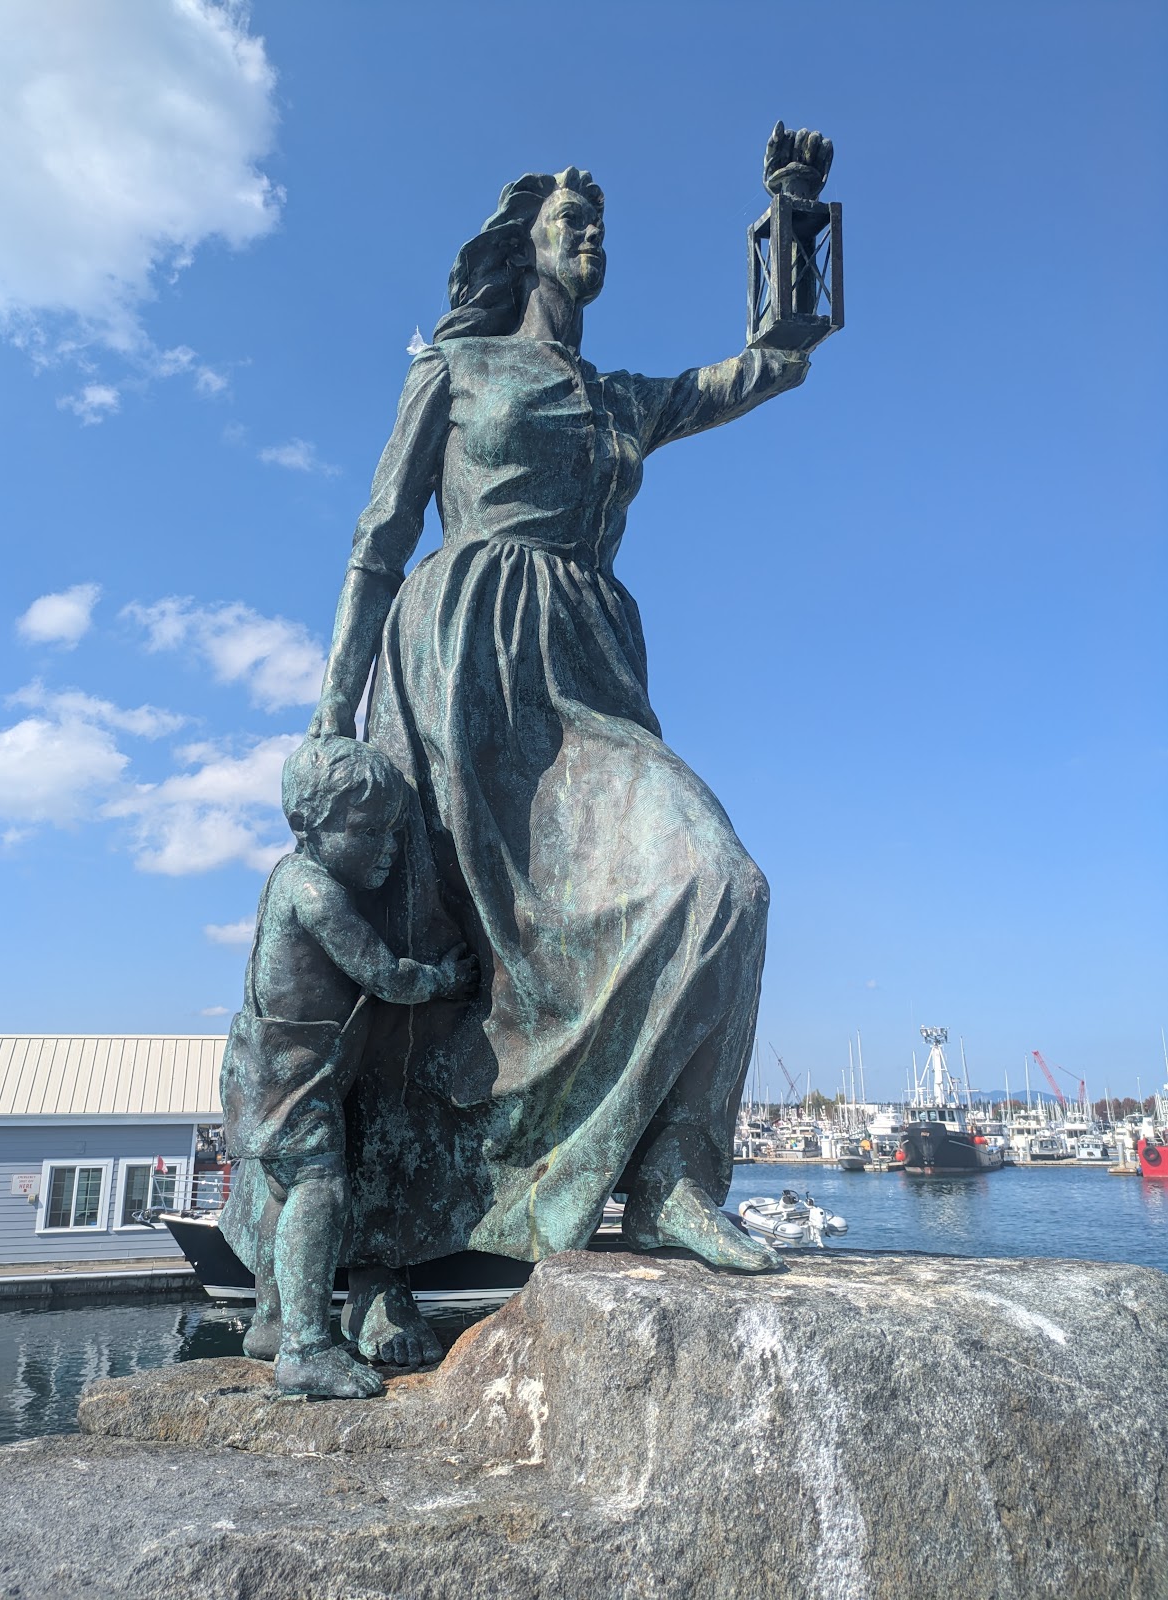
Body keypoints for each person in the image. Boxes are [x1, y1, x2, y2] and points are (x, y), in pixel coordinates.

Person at [311, 155, 831, 1359]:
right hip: (455, 659)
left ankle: (672, 1180)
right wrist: (331, 721)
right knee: (426, 935)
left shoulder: (619, 398)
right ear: (525, 245)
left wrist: (793, 232)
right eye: (571, 221)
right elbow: (378, 540)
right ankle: (371, 1254)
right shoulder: (451, 366)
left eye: (600, 223)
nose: (590, 238)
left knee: (720, 882)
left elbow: (767, 365)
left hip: (588, 675)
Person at [219, 736, 476, 1398]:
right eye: (367, 831)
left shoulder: (285, 875)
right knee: (319, 1192)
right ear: (309, 826)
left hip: (261, 1065)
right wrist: (443, 979)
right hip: (296, 1072)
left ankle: (272, 1322)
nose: (386, 849)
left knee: (282, 1192)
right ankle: (306, 1346)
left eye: (392, 832)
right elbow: (382, 975)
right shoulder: (317, 894)